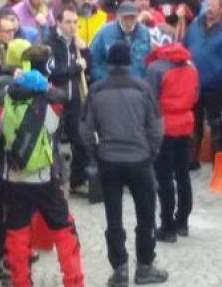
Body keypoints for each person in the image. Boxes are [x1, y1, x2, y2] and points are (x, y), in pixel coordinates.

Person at [81, 42, 167, 286]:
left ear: (109, 62)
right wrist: (151, 152)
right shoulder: (143, 89)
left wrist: (96, 152)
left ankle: (119, 270)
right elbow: (157, 127)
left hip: (109, 160)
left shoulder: (96, 91)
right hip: (139, 159)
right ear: (130, 61)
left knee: (113, 217)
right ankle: (145, 266)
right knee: (146, 214)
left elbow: (85, 130)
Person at [2, 64, 83, 287]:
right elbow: (57, 113)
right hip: (43, 178)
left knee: (17, 231)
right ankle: (73, 281)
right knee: (64, 228)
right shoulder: (47, 109)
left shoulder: (6, 105)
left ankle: (20, 281)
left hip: (15, 178)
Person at [145, 42, 198, 243]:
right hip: (186, 123)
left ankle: (167, 226)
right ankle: (182, 221)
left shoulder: (156, 68)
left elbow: (149, 100)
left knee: (164, 177)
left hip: (165, 125)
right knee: (183, 173)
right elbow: (195, 96)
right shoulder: (191, 67)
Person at [183, 0, 222, 162]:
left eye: (213, 5)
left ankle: (218, 159)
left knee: (215, 121)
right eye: (207, 5)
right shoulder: (194, 24)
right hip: (194, 82)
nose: (209, 8)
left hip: (216, 84)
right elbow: (185, 45)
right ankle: (192, 158)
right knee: (195, 121)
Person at [44, 6, 90, 195]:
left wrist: (85, 50)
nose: (72, 27)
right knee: (53, 143)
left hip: (75, 100)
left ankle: (78, 181)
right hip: (56, 101)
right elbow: (55, 72)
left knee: (80, 140)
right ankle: (54, 183)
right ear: (58, 23)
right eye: (68, 22)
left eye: (75, 23)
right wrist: (75, 68)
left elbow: (88, 66)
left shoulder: (76, 43)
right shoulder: (50, 43)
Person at [90, 2, 151, 82]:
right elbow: (94, 61)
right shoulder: (104, 32)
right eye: (125, 18)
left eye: (132, 18)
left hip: (138, 85)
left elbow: (149, 60)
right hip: (111, 86)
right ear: (118, 17)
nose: (129, 22)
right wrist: (105, 80)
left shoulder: (144, 33)